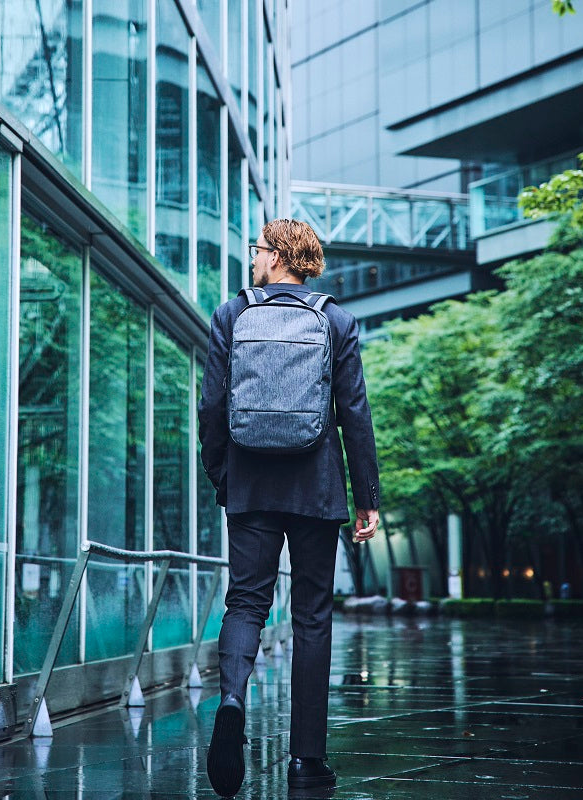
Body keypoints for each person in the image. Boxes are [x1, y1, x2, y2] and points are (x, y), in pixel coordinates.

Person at [198, 218, 380, 797]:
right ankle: (306, 760)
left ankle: (231, 700)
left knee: (246, 603)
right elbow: (354, 414)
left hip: (251, 485)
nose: (252, 259)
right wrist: (366, 499)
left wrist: (223, 475)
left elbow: (211, 408)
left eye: (257, 250)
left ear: (278, 257)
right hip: (316, 489)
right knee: (312, 617)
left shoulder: (232, 314)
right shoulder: (336, 320)